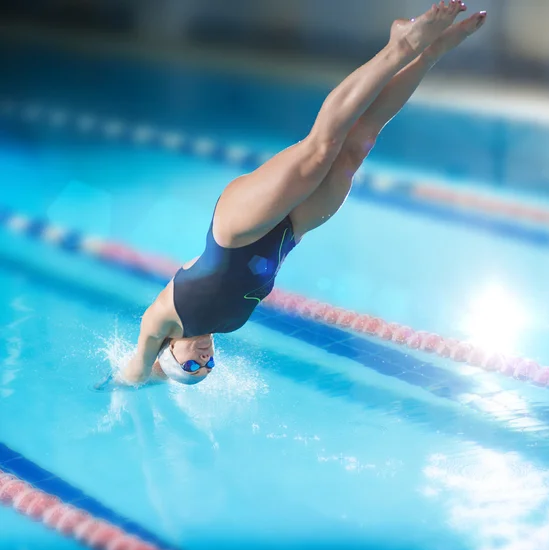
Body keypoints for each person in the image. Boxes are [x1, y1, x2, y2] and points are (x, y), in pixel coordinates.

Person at [122, 2, 487, 386]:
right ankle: (431, 53)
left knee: (320, 149)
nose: (203, 362)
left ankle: (400, 44)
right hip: (289, 233)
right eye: (207, 369)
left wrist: (126, 387)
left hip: (235, 231)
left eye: (190, 367)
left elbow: (135, 370)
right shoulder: (228, 326)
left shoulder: (163, 319)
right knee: (357, 145)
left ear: (170, 350)